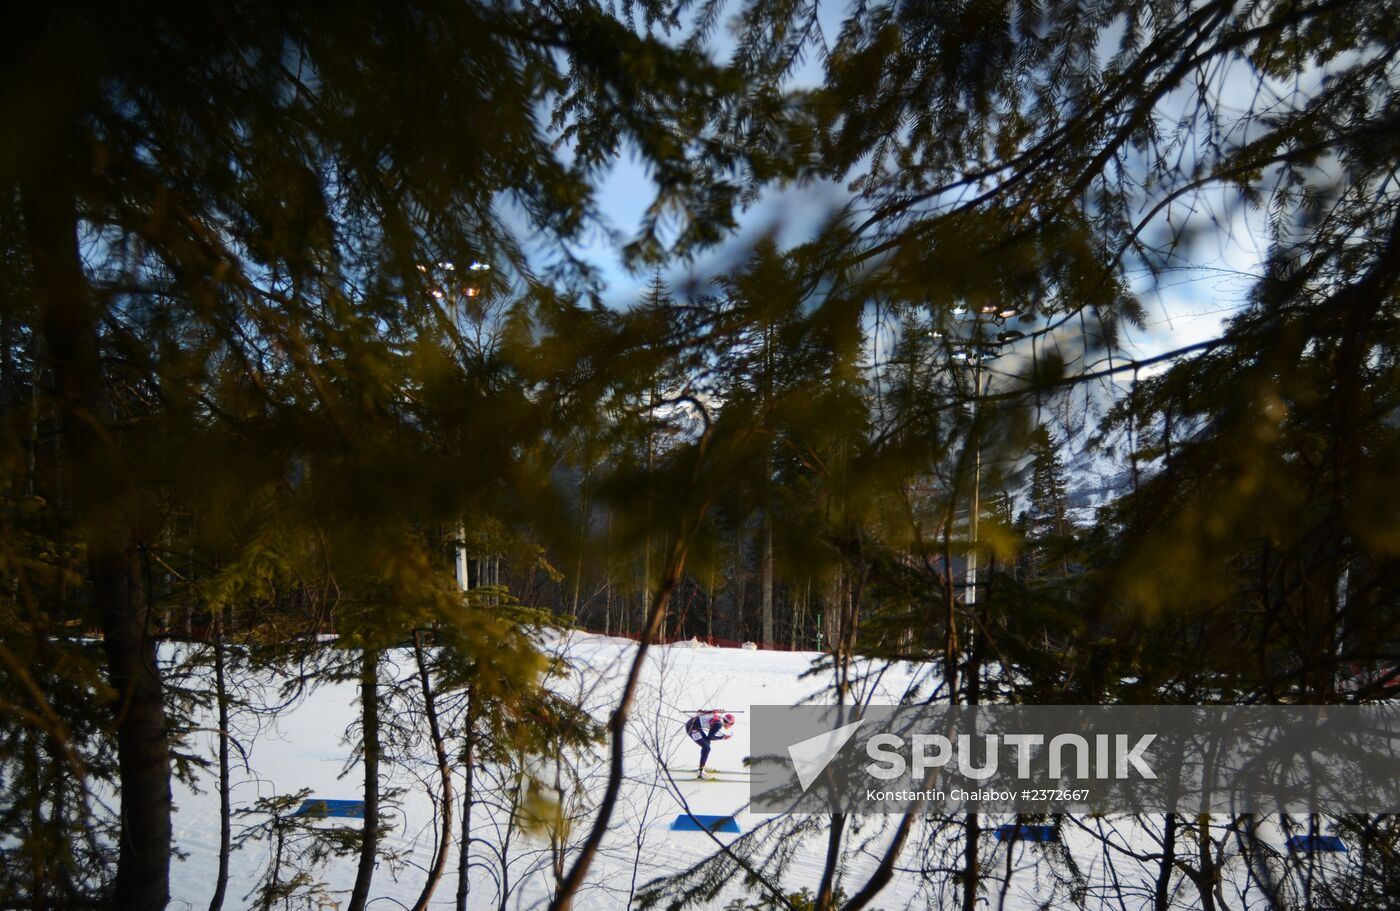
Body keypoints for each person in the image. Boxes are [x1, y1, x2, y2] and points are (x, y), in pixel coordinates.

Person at [684, 711, 735, 778]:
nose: (731, 726)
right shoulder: (718, 724)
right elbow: (710, 737)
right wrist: (723, 737)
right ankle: (700, 771)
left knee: (707, 743)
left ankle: (701, 767)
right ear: (728, 723)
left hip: (694, 726)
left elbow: (709, 738)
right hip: (692, 728)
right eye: (731, 724)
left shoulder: (718, 719)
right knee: (707, 747)